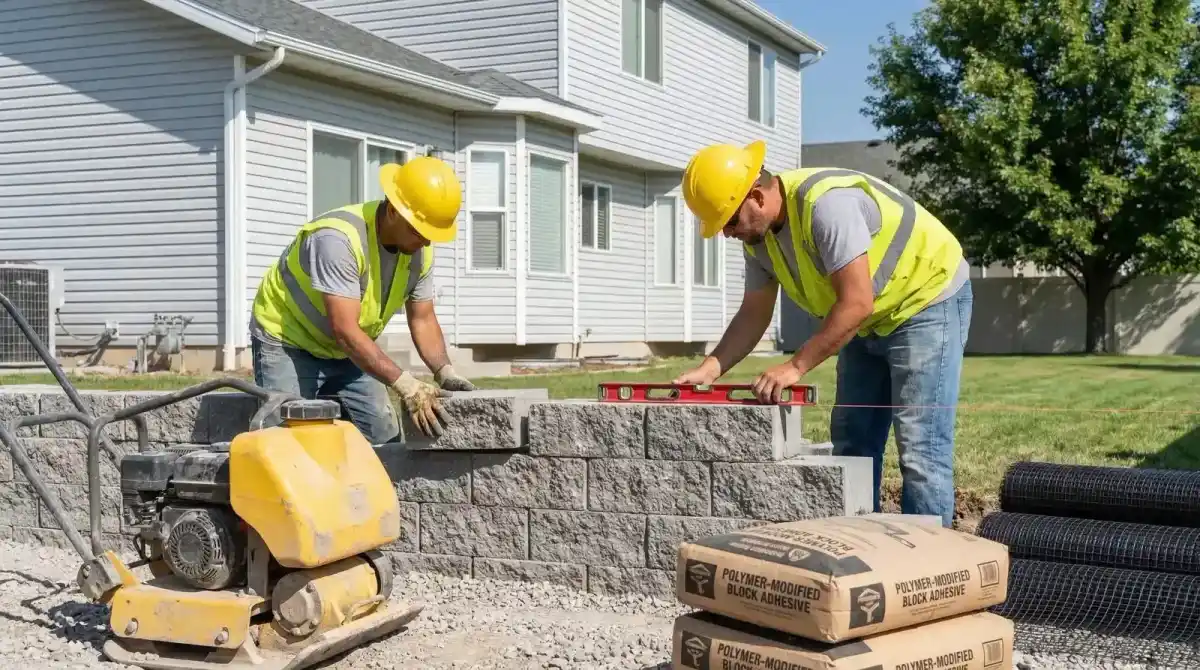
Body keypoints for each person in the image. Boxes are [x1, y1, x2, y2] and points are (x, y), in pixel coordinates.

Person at [674, 140, 972, 527]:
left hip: (925, 299)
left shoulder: (825, 206)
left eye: (729, 221)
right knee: (853, 441)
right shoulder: (758, 241)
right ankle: (864, 553)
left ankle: (929, 570)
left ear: (757, 196)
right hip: (868, 316)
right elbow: (754, 313)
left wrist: (796, 366)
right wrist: (712, 367)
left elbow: (856, 302)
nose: (727, 234)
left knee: (920, 450)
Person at [249, 156, 476, 444]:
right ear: (394, 210)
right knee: (288, 442)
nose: (427, 242)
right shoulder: (337, 239)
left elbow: (423, 318)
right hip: (289, 342)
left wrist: (445, 372)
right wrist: (405, 384)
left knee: (386, 437)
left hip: (347, 350)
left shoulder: (419, 252)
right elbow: (344, 330)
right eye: (421, 232)